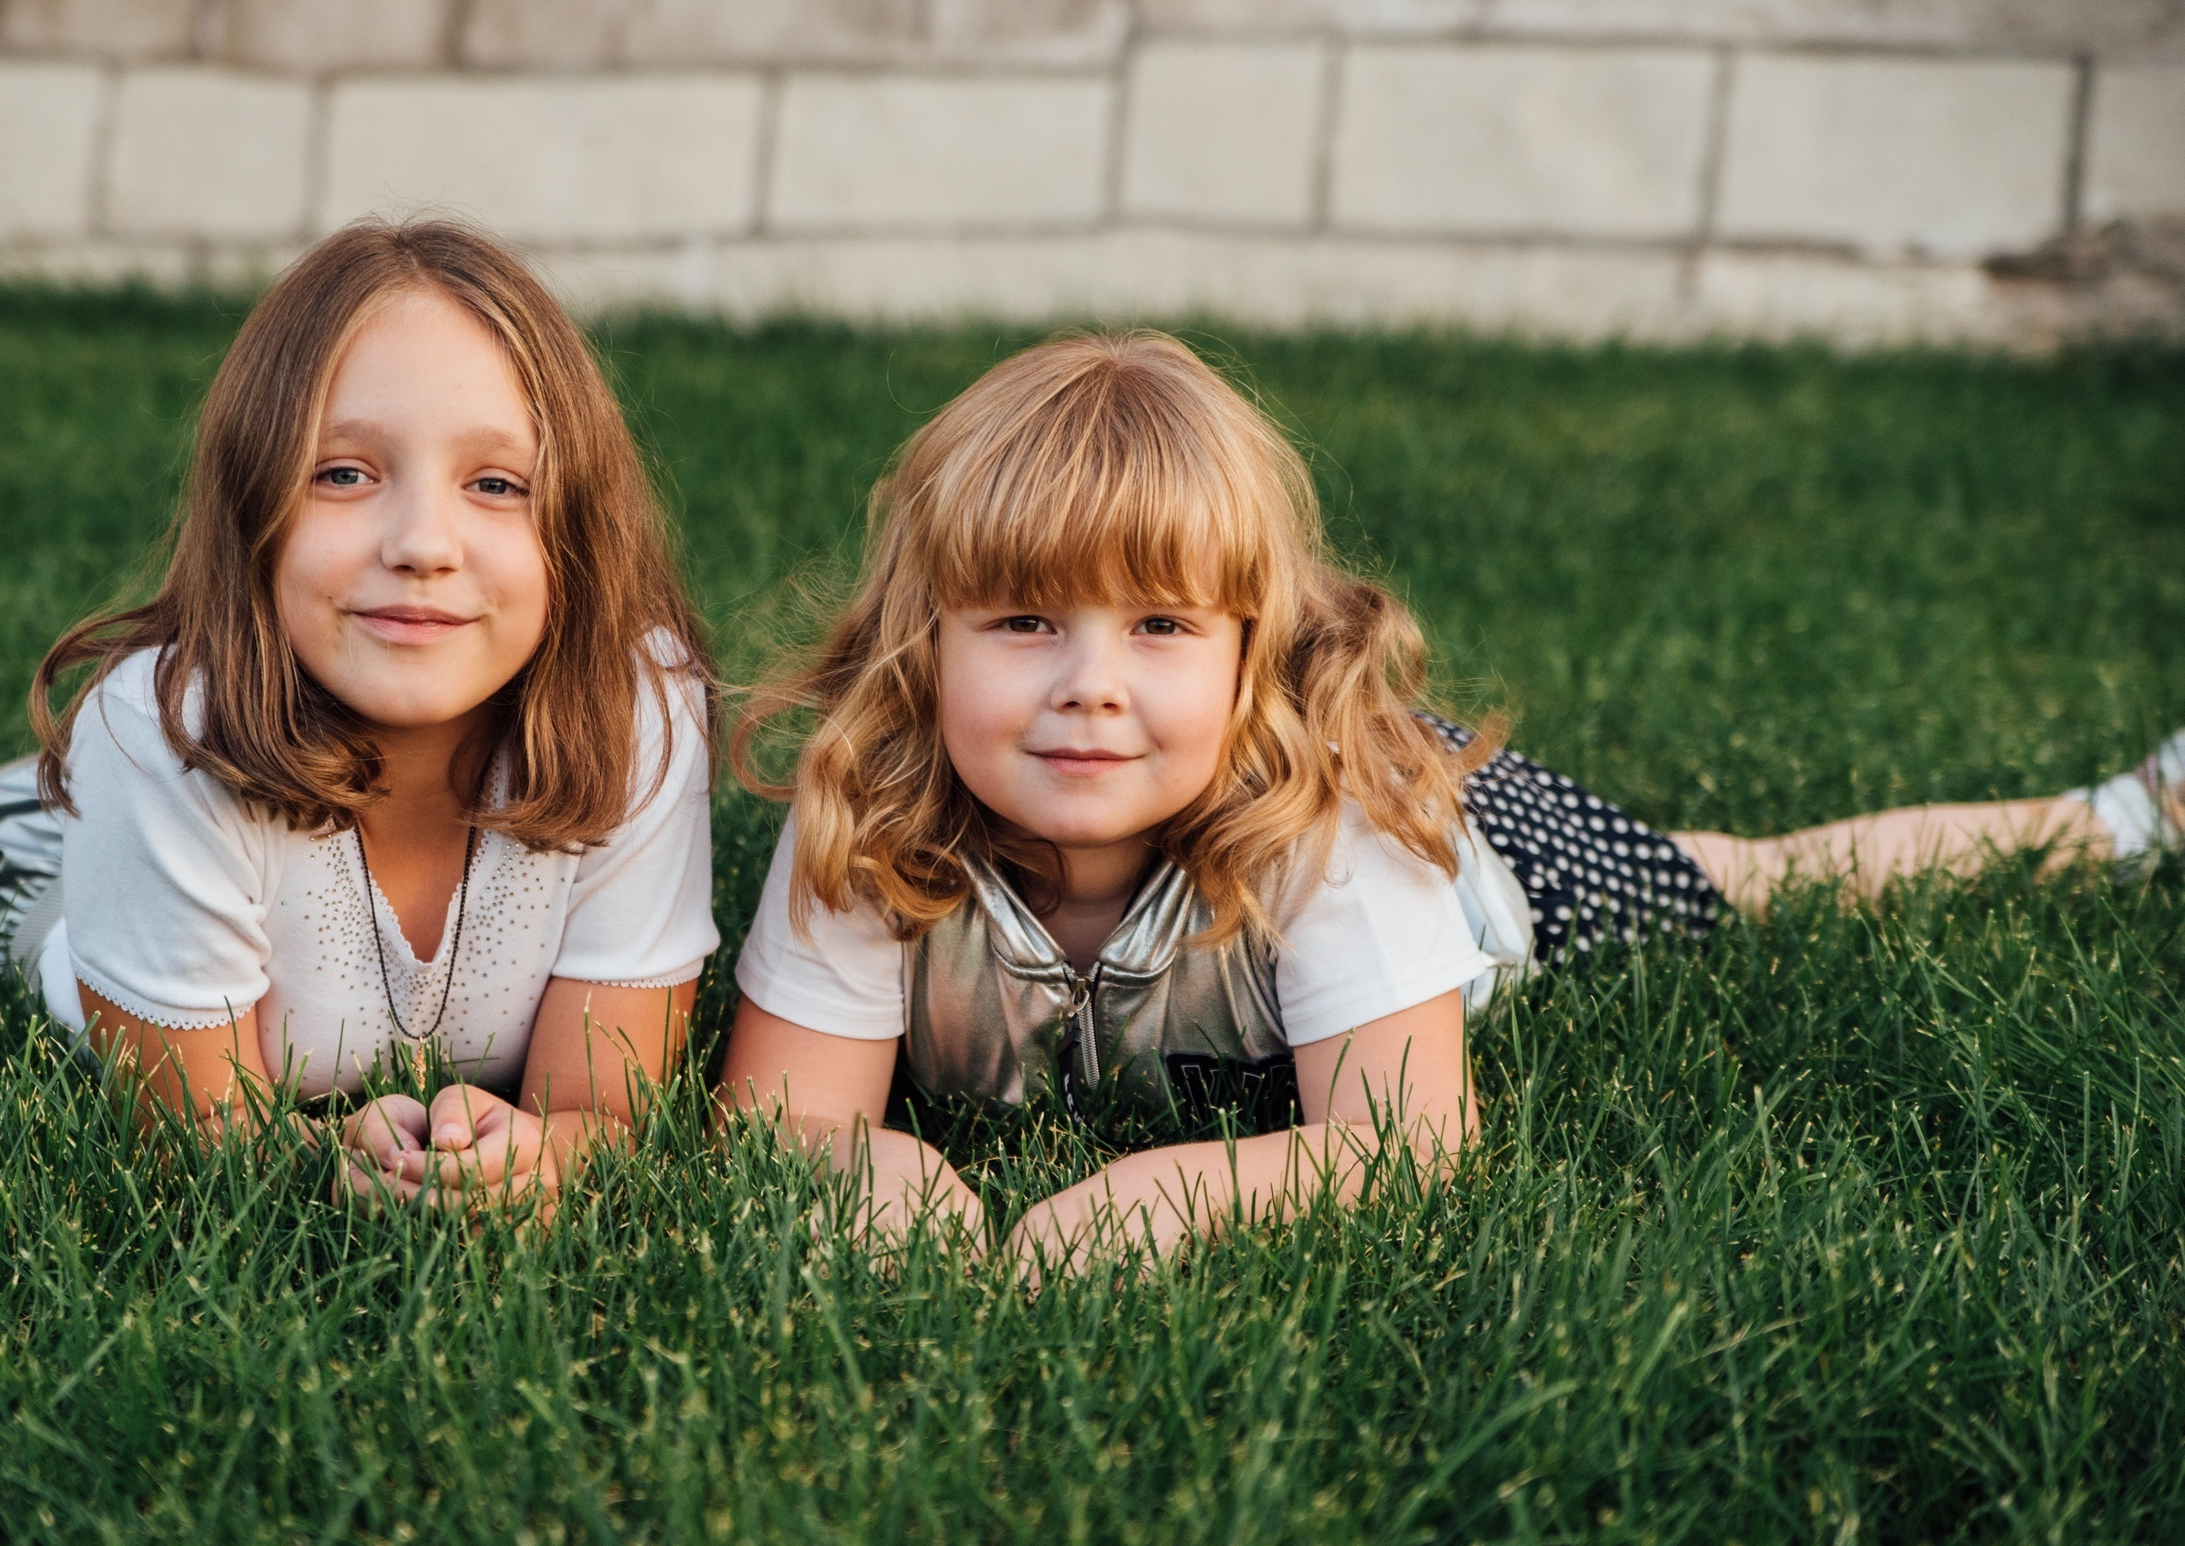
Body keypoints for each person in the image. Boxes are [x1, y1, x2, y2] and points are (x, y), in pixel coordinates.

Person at [717, 331, 2182, 1276]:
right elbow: (782, 1121)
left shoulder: (1328, 814)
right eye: (1025, 621)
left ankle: (2120, 816)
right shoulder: (876, 802)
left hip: (1470, 864)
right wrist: (888, 1175)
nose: (1091, 685)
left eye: (1161, 626)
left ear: (1254, 652)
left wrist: (1154, 1196)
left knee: (1745, 875)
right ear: (925, 647)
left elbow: (1401, 1145)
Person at [0, 220, 720, 1211]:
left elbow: (606, 1114)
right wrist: (329, 1160)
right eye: (343, 472)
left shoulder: (639, 716)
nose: (422, 543)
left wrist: (542, 1154)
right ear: (255, 501)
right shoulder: (156, 741)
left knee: (3, 799)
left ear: (576, 522)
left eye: (496, 483)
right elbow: (200, 1139)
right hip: (84, 887)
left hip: (151, 829)